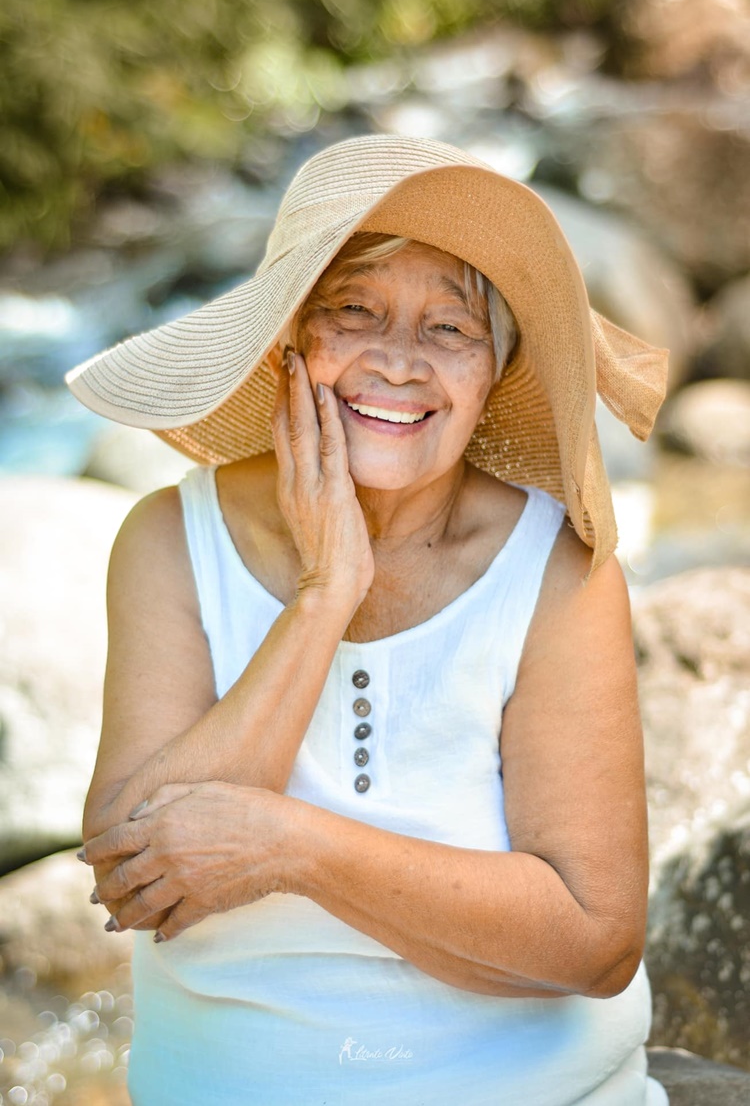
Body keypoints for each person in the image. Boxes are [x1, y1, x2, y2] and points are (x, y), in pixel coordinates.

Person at [66, 134, 671, 1105]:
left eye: (450, 330)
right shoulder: (171, 539)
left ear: (492, 377)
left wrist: (292, 845)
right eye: (355, 311)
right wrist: (323, 593)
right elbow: (135, 874)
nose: (397, 362)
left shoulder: (557, 569)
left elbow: (593, 938)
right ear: (294, 339)